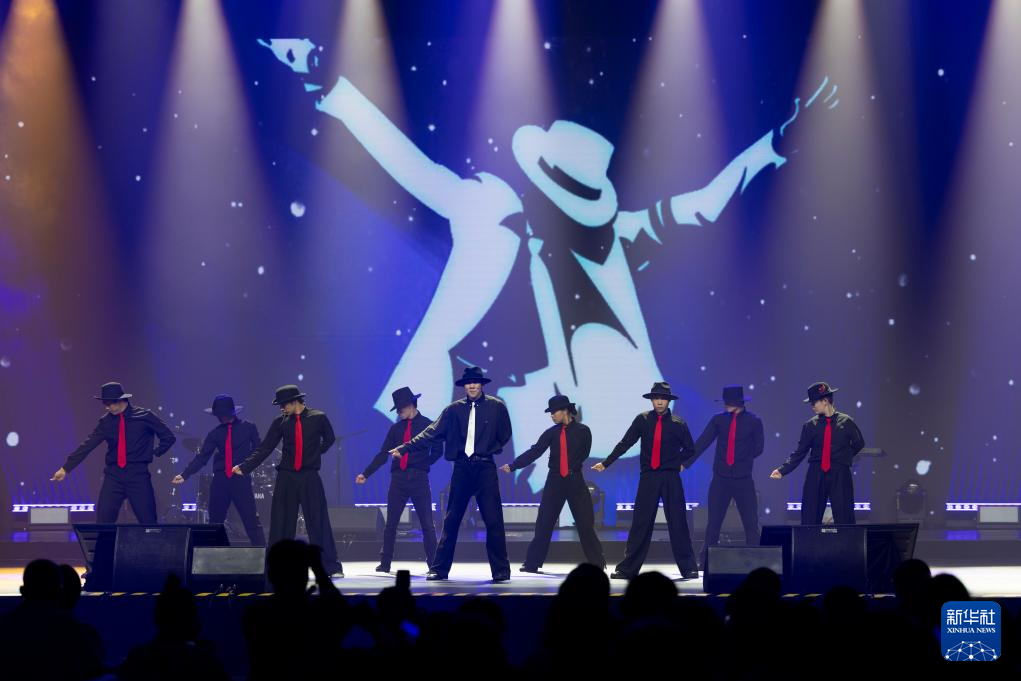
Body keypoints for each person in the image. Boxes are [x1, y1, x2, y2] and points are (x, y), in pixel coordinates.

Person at [390, 366, 512, 582]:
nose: (472, 386)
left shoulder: (496, 407)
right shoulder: (453, 410)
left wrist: (489, 447)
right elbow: (431, 433)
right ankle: (439, 569)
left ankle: (501, 570)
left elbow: (505, 434)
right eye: (468, 383)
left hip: (485, 467)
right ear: (464, 386)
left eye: (475, 382)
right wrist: (406, 447)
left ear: (481, 384)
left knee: (494, 520)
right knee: (451, 520)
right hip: (462, 468)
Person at [592, 381, 698, 580]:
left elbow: (690, 449)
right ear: (651, 400)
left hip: (670, 477)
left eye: (663, 398)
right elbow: (625, 443)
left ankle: (688, 567)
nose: (659, 402)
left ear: (668, 401)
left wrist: (679, 463)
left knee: (678, 522)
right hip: (649, 477)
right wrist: (606, 463)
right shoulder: (642, 420)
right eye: (656, 398)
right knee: (641, 523)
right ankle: (628, 569)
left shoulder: (678, 423)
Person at [233, 385, 343, 575]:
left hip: (309, 476)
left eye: (283, 404)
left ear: (294, 401)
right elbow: (265, 447)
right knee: (281, 523)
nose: (281, 408)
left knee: (319, 522)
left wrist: (315, 453)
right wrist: (245, 466)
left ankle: (330, 566)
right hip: (287, 477)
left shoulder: (318, 417)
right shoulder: (280, 422)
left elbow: (330, 439)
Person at [501, 394, 605, 572]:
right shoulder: (551, 433)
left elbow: (584, 453)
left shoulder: (583, 431)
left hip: (575, 480)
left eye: (554, 412)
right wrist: (513, 465)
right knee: (544, 523)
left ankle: (597, 564)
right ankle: (532, 563)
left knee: (585, 524)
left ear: (565, 411)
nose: (551, 415)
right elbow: (535, 451)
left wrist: (570, 467)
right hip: (555, 480)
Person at [51, 381, 175, 523]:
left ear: (121, 400)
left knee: (148, 522)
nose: (107, 407)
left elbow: (168, 437)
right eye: (105, 404)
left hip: (138, 474)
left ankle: (151, 538)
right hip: (113, 475)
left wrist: (154, 452)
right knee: (103, 521)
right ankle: (104, 539)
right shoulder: (106, 421)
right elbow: (88, 445)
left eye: (109, 403)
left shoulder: (145, 416)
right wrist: (66, 468)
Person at [356, 386, 442, 573]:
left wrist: (423, 464)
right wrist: (366, 473)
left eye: (401, 409)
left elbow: (438, 450)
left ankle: (434, 564)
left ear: (411, 405)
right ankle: (385, 563)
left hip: (418, 478)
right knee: (391, 523)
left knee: (427, 524)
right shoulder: (396, 428)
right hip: (398, 479)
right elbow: (383, 454)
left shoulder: (428, 425)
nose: (399, 412)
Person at [173, 394, 266, 545]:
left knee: (250, 520)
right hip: (221, 481)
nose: (219, 417)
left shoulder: (248, 428)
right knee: (215, 521)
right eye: (218, 415)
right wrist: (185, 474)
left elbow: (259, 451)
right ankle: (212, 553)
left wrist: (245, 466)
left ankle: (264, 552)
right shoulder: (215, 433)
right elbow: (202, 457)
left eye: (221, 414)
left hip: (241, 478)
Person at [686, 385, 763, 568]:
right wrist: (684, 462)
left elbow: (759, 447)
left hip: (743, 478)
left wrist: (742, 459)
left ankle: (755, 559)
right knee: (714, 521)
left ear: (739, 402)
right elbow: (703, 442)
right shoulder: (718, 420)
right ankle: (705, 560)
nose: (726, 405)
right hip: (721, 478)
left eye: (729, 402)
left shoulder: (753, 421)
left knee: (750, 521)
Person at [770, 382, 865, 524]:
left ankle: (846, 539)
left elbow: (859, 443)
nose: (812, 406)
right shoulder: (810, 425)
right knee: (810, 516)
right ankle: (809, 539)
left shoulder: (847, 422)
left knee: (844, 515)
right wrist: (782, 470)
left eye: (814, 402)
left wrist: (844, 457)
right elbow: (800, 452)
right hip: (816, 473)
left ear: (825, 401)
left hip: (840, 473)